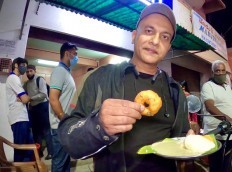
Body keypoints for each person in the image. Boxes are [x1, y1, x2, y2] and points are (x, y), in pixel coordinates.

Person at [58, 3, 192, 172]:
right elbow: (68, 139)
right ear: (134, 36)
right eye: (149, 31)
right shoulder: (100, 78)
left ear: (168, 48)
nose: (156, 41)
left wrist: (189, 142)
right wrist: (98, 125)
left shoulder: (175, 90)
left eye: (165, 37)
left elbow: (180, 139)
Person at [200, 60, 232, 172]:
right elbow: (210, 106)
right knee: (217, 167)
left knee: (229, 165)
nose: (221, 73)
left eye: (223, 70)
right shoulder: (208, 86)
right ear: (212, 73)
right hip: (218, 134)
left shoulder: (227, 86)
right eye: (217, 71)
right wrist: (227, 118)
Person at [49, 42, 78, 172]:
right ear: (67, 53)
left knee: (65, 161)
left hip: (64, 125)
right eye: (75, 54)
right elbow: (53, 99)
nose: (77, 57)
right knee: (59, 163)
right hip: (59, 126)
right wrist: (63, 118)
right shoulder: (59, 71)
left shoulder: (66, 73)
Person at [5, 57, 34, 162]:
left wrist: (24, 98)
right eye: (23, 65)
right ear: (16, 65)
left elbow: (24, 99)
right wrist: (26, 98)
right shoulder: (13, 78)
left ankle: (24, 168)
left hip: (22, 118)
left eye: (26, 66)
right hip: (18, 118)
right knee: (20, 149)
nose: (25, 68)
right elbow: (25, 99)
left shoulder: (17, 79)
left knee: (29, 148)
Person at [24, 64, 53, 160]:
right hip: (33, 109)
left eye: (31, 71)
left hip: (42, 107)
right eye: (27, 71)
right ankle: (39, 153)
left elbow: (44, 94)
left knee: (46, 131)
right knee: (36, 132)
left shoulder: (39, 80)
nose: (29, 73)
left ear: (34, 71)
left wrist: (30, 98)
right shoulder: (27, 83)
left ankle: (51, 153)